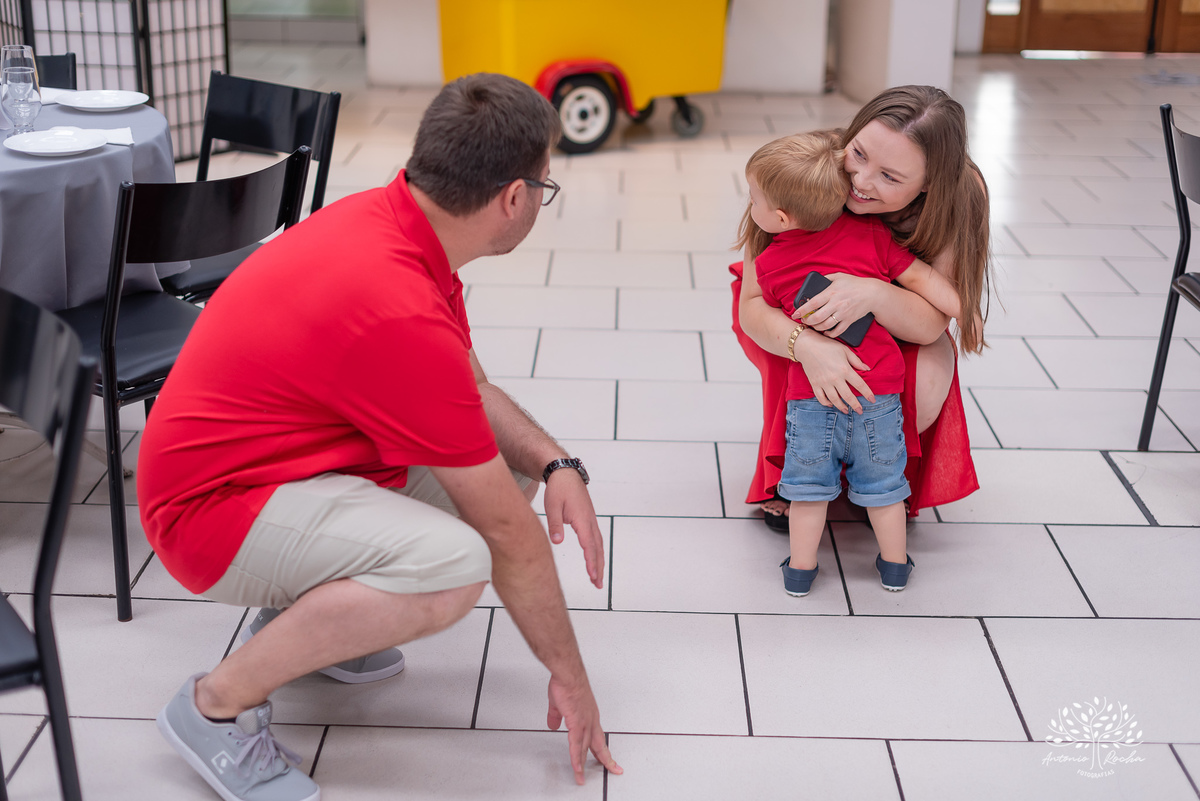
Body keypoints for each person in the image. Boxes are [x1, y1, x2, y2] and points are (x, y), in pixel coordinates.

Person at [138, 73, 622, 801]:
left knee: (515, 467)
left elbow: (473, 393)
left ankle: (304, 623)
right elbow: (507, 535)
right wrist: (573, 680)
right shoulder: (396, 304)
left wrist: (558, 464)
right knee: (456, 566)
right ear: (512, 199)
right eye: (543, 188)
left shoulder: (401, 224)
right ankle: (214, 706)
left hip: (272, 463)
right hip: (206, 512)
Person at [731, 85, 991, 530]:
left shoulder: (960, 197)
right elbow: (754, 306)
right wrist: (806, 345)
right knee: (795, 364)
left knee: (922, 381)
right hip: (790, 308)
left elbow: (931, 324)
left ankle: (877, 472)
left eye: (890, 177)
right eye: (858, 154)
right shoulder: (808, 170)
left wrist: (873, 293)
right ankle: (792, 471)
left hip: (897, 311)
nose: (862, 182)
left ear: (929, 185)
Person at [740, 131, 962, 595]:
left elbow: (758, 307)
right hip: (878, 392)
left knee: (806, 489)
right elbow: (925, 281)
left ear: (781, 217)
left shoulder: (771, 264)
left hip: (811, 396)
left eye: (753, 199)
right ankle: (895, 567)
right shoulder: (872, 236)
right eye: (858, 158)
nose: (862, 180)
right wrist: (965, 309)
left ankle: (800, 571)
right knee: (884, 487)